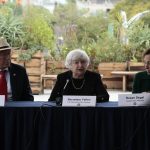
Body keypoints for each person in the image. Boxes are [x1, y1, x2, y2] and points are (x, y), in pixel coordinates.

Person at [0, 37, 34, 101]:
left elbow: (29, 97)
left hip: (14, 109)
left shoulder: (20, 71)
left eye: (8, 54)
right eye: (4, 55)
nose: (7, 58)